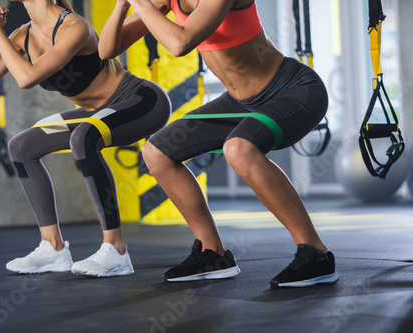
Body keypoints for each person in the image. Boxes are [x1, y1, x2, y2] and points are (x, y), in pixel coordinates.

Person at [99, 0, 339, 288]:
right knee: (157, 151)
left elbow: (180, 43)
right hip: (239, 103)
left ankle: (316, 253)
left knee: (239, 148)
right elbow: (106, 50)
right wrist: (121, 7)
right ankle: (213, 253)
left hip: (292, 90)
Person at [0, 0, 171, 277]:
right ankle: (53, 247)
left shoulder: (74, 27)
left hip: (142, 101)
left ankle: (116, 250)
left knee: (83, 137)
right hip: (95, 113)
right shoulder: (22, 36)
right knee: (21, 146)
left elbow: (26, 78)